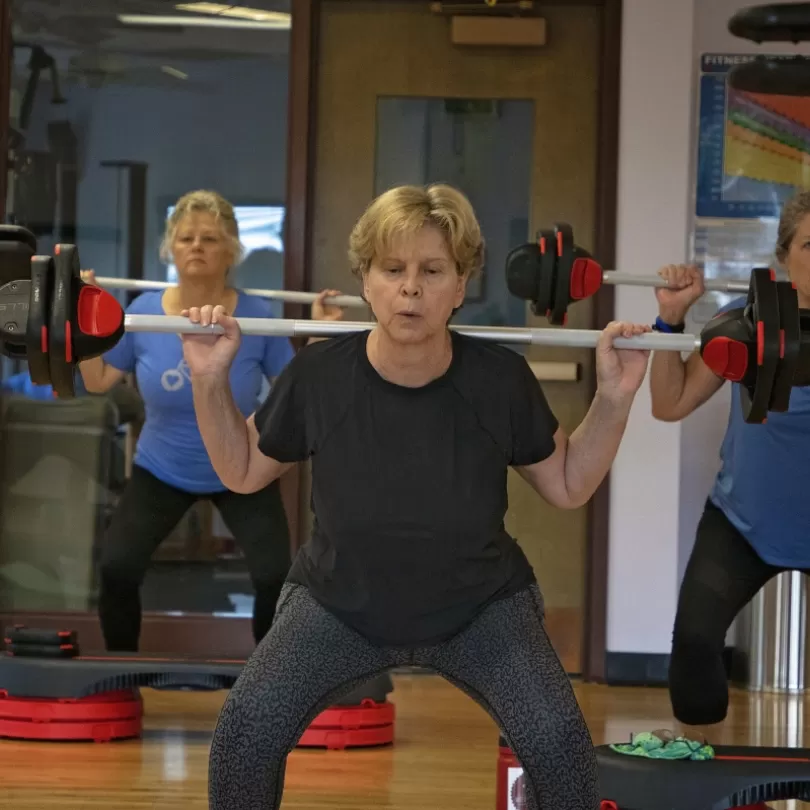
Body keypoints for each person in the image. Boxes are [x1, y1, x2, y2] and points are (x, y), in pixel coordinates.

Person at [181, 183, 653, 810]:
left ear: (460, 287)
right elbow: (241, 471)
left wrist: (615, 398)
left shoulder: (499, 379)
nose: (411, 288)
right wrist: (208, 381)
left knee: (562, 747)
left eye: (432, 271)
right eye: (393, 269)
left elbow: (568, 484)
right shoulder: (319, 375)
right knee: (243, 737)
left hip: (480, 608)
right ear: (366, 282)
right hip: (338, 605)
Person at [78, 189, 344, 651]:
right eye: (185, 237)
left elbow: (297, 388)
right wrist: (81, 320)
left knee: (275, 578)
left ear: (231, 252)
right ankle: (119, 676)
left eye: (209, 238)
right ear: (171, 249)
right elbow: (98, 379)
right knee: (117, 567)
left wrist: (319, 334)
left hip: (239, 466)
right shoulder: (141, 312)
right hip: (162, 468)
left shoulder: (258, 317)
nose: (196, 246)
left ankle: (270, 682)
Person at [649, 189, 810, 736]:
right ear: (784, 255)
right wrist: (669, 323)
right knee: (693, 653)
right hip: (742, 524)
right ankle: (705, 774)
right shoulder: (744, 321)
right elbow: (669, 405)